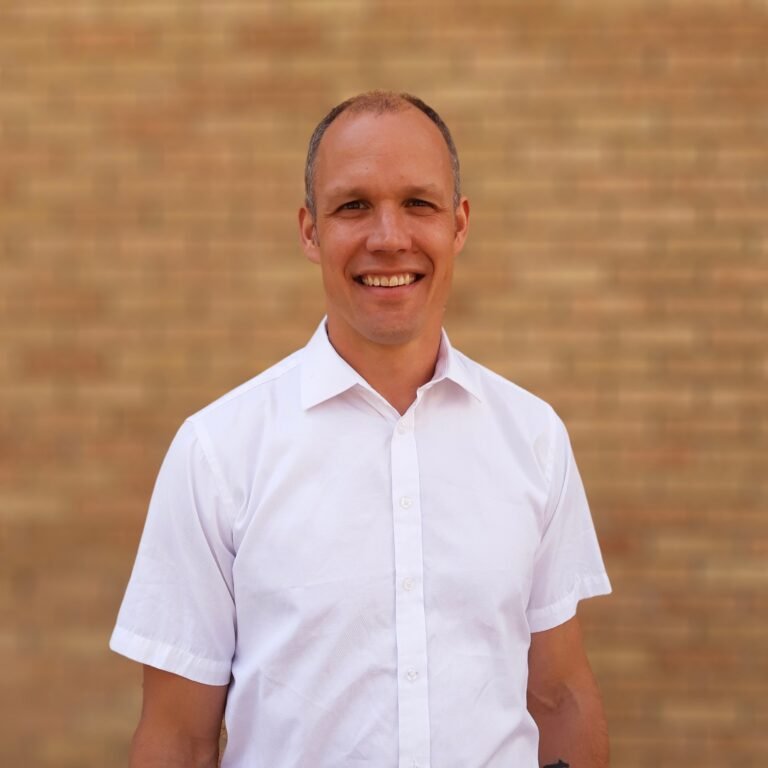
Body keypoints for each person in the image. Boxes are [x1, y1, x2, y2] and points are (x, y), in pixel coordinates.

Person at [111, 91, 612, 768]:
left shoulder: (534, 438)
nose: (388, 237)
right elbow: (179, 735)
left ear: (459, 224)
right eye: (353, 206)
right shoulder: (217, 453)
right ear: (310, 231)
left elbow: (560, 696)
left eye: (418, 204)